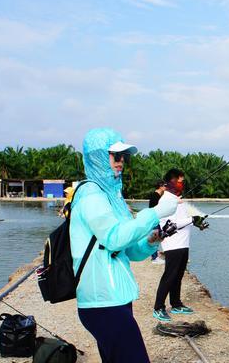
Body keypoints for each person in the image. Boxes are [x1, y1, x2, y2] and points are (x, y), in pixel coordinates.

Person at [69, 128, 179, 363]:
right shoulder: (91, 195)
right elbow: (114, 238)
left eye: (123, 157)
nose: (121, 162)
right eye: (115, 156)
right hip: (101, 302)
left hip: (117, 298)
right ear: (98, 156)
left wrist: (151, 242)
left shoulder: (112, 197)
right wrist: (156, 212)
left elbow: (129, 250)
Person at [152, 168, 209, 322]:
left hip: (183, 244)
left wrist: (198, 223)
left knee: (178, 275)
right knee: (169, 276)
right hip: (173, 244)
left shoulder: (178, 199)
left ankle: (176, 304)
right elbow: (169, 224)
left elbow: (184, 218)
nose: (182, 184)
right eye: (180, 181)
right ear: (172, 181)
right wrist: (192, 220)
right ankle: (158, 307)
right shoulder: (166, 200)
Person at [148, 180, 167, 263]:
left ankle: (155, 256)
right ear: (160, 186)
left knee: (158, 237)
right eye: (165, 185)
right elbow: (156, 209)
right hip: (154, 220)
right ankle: (154, 258)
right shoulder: (155, 196)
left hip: (155, 219)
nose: (166, 187)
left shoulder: (158, 195)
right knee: (155, 238)